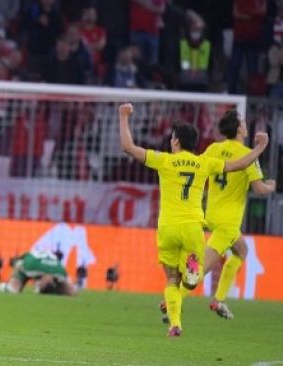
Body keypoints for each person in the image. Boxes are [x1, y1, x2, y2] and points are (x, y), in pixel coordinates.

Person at [117, 103, 268, 337]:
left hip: (167, 229)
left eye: (172, 137)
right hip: (192, 230)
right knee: (192, 279)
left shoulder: (164, 160)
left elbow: (128, 147)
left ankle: (175, 325)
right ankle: (190, 283)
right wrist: (260, 147)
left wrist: (123, 116)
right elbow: (240, 163)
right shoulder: (203, 163)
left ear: (175, 142)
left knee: (171, 279)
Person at [160, 110, 276, 321]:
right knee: (200, 267)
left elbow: (196, 167)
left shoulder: (213, 148)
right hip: (229, 221)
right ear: (239, 128)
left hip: (211, 214)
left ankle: (219, 299)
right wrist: (271, 185)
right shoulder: (248, 154)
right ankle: (173, 299)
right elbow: (259, 189)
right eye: (243, 122)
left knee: (242, 250)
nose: (245, 125)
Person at [0, 250, 77, 296]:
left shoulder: (26, 258)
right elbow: (71, 287)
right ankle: (49, 288)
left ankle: (11, 287)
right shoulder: (58, 267)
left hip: (32, 265)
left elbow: (19, 264)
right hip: (57, 268)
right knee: (70, 291)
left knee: (20, 269)